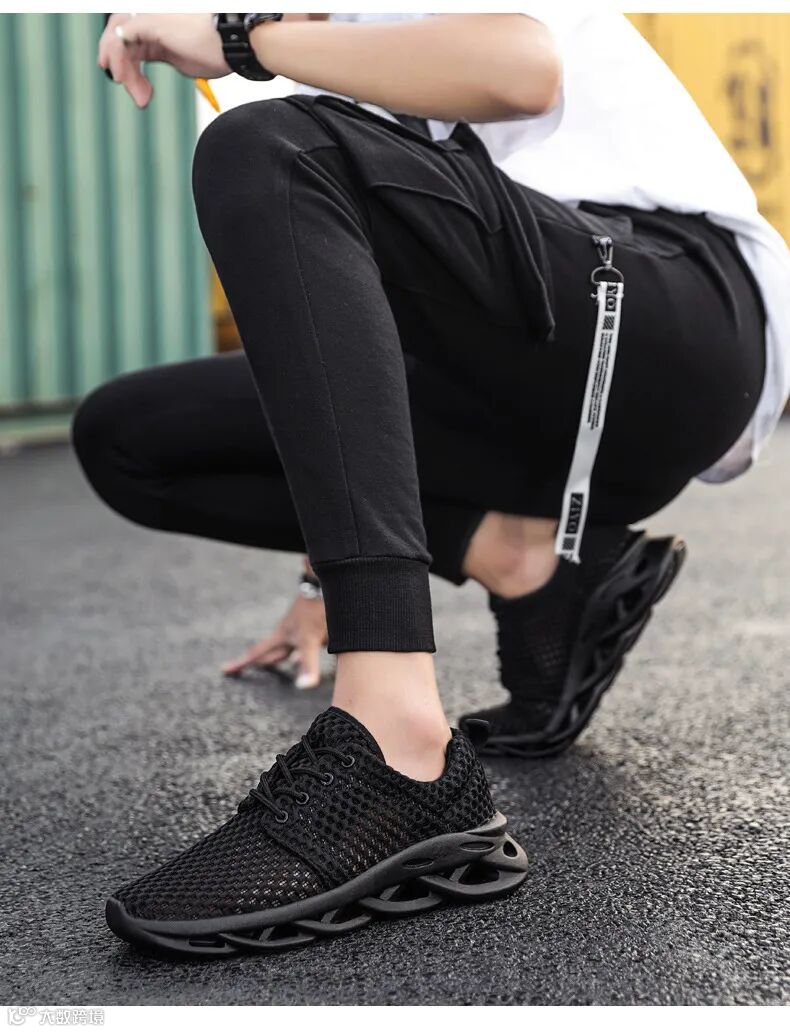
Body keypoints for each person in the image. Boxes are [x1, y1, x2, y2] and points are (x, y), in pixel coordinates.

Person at [73, 10, 788, 957]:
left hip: (660, 316)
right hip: (503, 378)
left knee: (268, 148)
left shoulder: (283, 43)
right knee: (128, 439)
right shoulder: (302, 53)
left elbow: (521, 71)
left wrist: (241, 39)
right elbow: (337, 338)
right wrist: (318, 581)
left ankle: (398, 746)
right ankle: (527, 562)